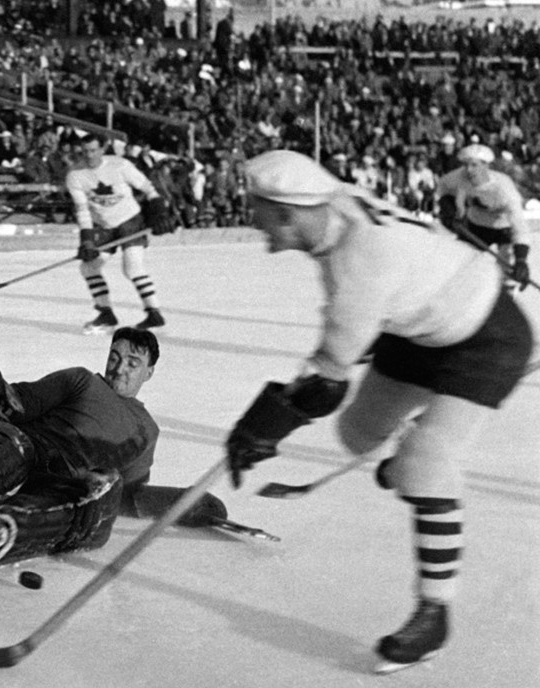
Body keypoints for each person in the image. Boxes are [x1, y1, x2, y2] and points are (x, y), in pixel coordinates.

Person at [225, 149, 534, 673]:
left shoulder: (360, 266)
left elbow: (325, 383)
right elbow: (335, 381)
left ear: (287, 212)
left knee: (427, 464)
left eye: (262, 222)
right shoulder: (333, 209)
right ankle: (413, 452)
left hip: (486, 338)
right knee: (358, 434)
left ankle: (433, 615)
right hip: (416, 324)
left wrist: (258, 430)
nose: (264, 240)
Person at [0, 327, 230, 570]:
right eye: (115, 357)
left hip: (77, 488)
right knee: (6, 438)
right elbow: (14, 407)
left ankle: (6, 529)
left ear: (149, 372)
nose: (120, 368)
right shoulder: (80, 381)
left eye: (133, 363)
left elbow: (130, 497)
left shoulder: (146, 431)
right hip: (33, 456)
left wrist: (185, 501)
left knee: (106, 484)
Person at [64, 132, 176, 333]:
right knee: (89, 267)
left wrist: (160, 215)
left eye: (93, 150)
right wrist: (87, 241)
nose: (89, 155)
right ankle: (106, 313)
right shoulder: (75, 176)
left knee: (132, 268)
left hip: (130, 221)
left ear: (102, 149)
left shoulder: (120, 165)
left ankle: (154, 313)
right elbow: (83, 210)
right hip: (104, 226)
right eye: (85, 151)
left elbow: (149, 190)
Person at [434, 143, 530, 288]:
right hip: (475, 227)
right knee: (460, 265)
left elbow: (520, 227)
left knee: (509, 274)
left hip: (503, 230)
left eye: (474, 165)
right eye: (465, 165)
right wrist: (447, 205)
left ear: (486, 166)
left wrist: (521, 260)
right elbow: (443, 186)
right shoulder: (460, 175)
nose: (468, 170)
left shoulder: (505, 190)